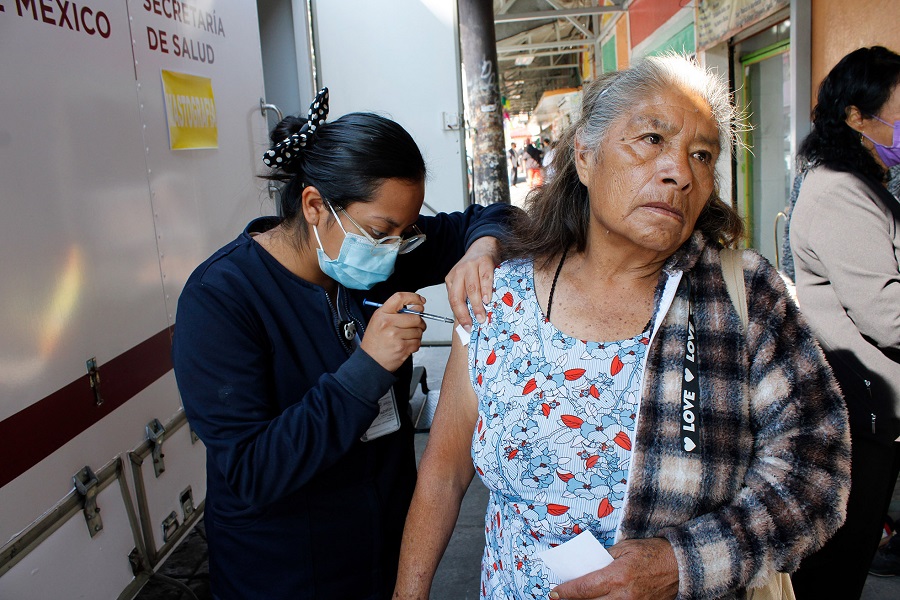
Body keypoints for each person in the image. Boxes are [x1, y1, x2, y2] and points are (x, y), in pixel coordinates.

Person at [393, 55, 851, 600]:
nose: (679, 171)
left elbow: (817, 475)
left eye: (701, 155)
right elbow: (445, 473)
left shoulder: (743, 296)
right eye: (652, 139)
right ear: (585, 156)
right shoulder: (499, 298)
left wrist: (680, 564)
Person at [171, 88, 512, 599]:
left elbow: (499, 218)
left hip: (381, 560)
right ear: (314, 205)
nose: (394, 248)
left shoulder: (379, 257)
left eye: (407, 233)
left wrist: (481, 251)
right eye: (382, 231)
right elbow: (251, 470)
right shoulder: (221, 299)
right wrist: (367, 368)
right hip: (282, 576)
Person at [787, 46, 900, 598]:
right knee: (837, 569)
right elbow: (888, 315)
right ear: (857, 115)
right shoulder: (840, 192)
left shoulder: (864, 185)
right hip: (862, 413)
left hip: (873, 408)